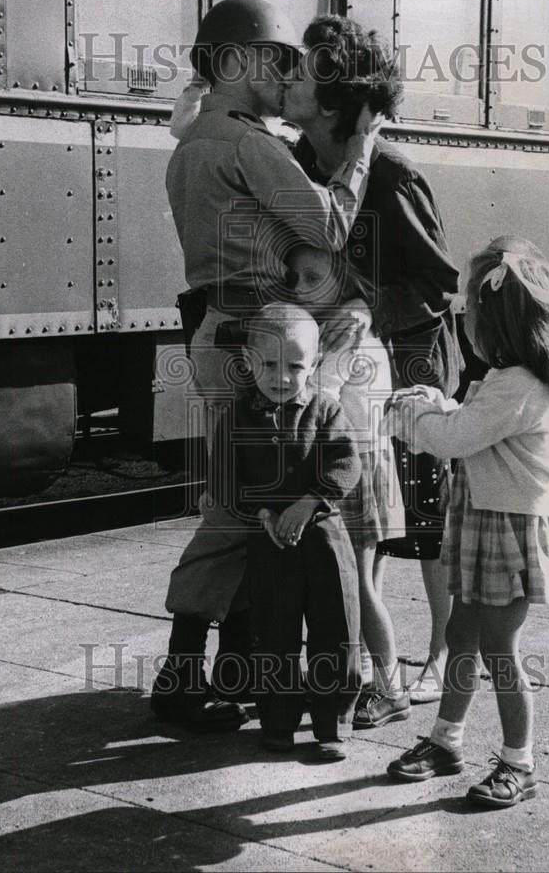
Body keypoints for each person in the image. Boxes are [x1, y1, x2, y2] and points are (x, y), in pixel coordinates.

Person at [151, 0, 381, 732]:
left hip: (223, 331)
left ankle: (228, 671)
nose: (286, 71)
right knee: (234, 513)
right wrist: (364, 144)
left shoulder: (197, 139)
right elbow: (332, 225)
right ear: (232, 61)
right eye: (275, 58)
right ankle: (184, 680)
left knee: (247, 506)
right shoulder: (249, 143)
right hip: (254, 339)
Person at [282, 15, 462, 721]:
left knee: (423, 516)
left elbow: (437, 282)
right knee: (363, 518)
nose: (285, 84)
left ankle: (442, 651)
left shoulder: (390, 174)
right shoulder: (298, 162)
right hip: (347, 366)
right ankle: (366, 656)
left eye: (299, 77)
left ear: (332, 103)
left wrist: (362, 307)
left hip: (412, 360)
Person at [384, 235, 549, 807]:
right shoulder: (510, 381)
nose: (465, 321)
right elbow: (475, 427)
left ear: (496, 322)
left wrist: (411, 415)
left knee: (499, 648)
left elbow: (457, 438)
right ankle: (447, 741)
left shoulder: (520, 386)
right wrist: (439, 401)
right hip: (484, 520)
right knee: (461, 636)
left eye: (471, 311)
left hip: (509, 528)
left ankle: (520, 763)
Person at [209, 303, 362, 761]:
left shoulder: (326, 409)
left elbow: (346, 462)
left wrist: (307, 501)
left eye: (295, 366)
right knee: (273, 630)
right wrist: (262, 515)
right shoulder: (236, 417)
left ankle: (331, 721)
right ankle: (278, 721)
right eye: (270, 364)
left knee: (335, 627)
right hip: (269, 541)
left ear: (314, 364)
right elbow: (225, 479)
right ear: (249, 363)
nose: (281, 376)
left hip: (323, 537)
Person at [284, 243, 409, 725]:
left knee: (356, 586)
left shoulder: (341, 333)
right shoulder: (355, 323)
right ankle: (361, 681)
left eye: (311, 277)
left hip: (355, 469)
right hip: (373, 464)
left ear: (343, 279)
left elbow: (320, 394)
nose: (299, 288)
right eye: (293, 278)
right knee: (366, 581)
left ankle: (391, 688)